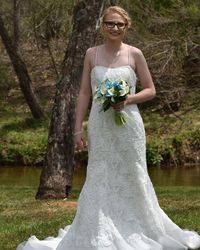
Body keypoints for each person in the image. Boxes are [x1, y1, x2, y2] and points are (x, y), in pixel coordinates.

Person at [17, 6, 200, 250]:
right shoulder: (91, 54)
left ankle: (140, 226)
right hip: (99, 125)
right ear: (102, 25)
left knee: (132, 172)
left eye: (120, 24)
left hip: (129, 125)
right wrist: (77, 129)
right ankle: (98, 227)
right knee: (100, 173)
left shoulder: (135, 54)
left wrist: (127, 99)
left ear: (127, 27)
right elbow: (84, 92)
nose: (115, 28)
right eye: (110, 23)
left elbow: (150, 90)